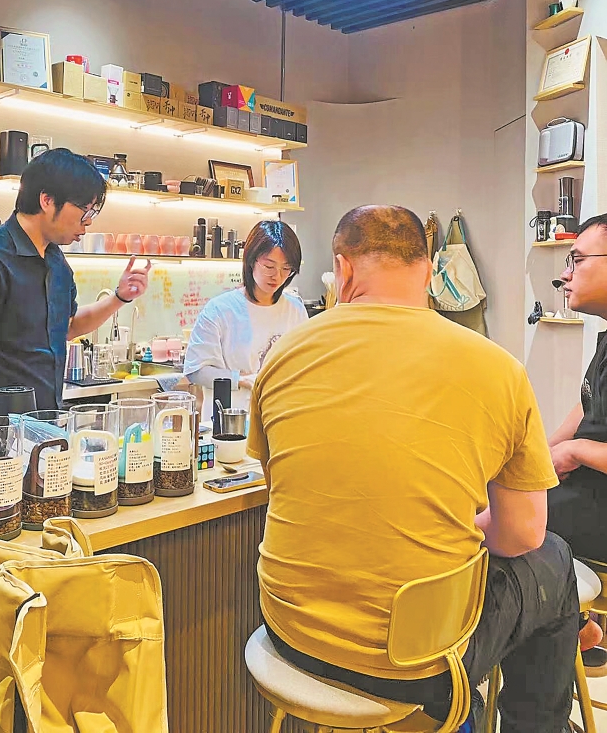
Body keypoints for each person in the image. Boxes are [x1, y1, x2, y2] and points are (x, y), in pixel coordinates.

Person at [249, 205, 578, 733]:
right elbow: (522, 534)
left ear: (343, 270)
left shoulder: (283, 354)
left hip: (288, 632)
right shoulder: (498, 368)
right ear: (428, 273)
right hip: (413, 665)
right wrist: (461, 526)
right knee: (553, 557)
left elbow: (287, 487)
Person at [0, 148, 151, 421]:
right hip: (2, 432)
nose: (87, 222)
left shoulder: (56, 261)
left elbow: (67, 327)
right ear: (47, 200)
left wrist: (119, 298)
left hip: (45, 427)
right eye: (85, 210)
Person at [547, 214, 607, 666]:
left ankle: (568, 628)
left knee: (494, 524)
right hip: (585, 494)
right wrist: (538, 454)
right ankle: (572, 625)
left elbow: (583, 440)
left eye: (577, 260)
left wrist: (575, 451)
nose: (565, 275)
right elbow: (587, 406)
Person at [184, 220, 307, 412]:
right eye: (269, 266)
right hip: (228, 419)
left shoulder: (296, 310)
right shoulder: (220, 310)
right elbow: (196, 371)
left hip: (278, 414)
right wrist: (241, 380)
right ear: (251, 260)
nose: (277, 276)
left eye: (286, 269)